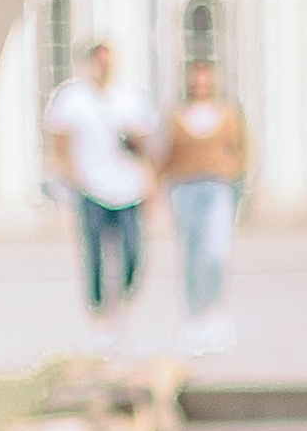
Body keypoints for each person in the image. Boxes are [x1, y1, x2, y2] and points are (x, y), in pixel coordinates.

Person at [43, 38, 153, 320]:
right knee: (94, 253)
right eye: (99, 61)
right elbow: (59, 142)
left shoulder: (130, 96)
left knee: (133, 251)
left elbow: (147, 144)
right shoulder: (72, 98)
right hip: (90, 188)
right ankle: (99, 308)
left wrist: (138, 150)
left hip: (127, 187)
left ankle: (123, 297)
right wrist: (71, 176)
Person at [156, 55, 249, 352]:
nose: (201, 83)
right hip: (185, 187)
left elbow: (242, 149)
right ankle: (194, 318)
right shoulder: (177, 115)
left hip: (217, 186)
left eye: (205, 77)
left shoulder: (227, 113)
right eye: (196, 77)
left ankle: (216, 311)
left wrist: (234, 174)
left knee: (216, 252)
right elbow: (165, 155)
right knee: (192, 253)